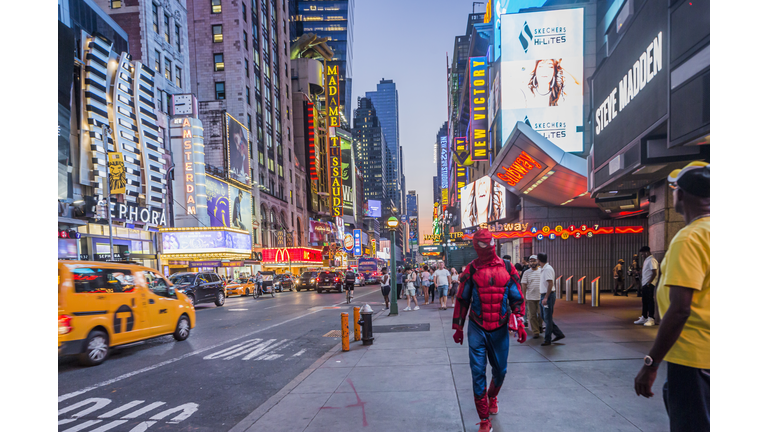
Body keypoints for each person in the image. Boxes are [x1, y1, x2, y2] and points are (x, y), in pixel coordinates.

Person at [634, 162, 709, 432]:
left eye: (674, 188)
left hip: (694, 360)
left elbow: (680, 309)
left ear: (682, 195)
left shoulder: (689, 239)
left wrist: (651, 363)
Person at [452, 229, 526, 432]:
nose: (485, 248)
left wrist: (519, 319)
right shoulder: (472, 269)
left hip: (500, 327)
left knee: (500, 371)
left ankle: (492, 396)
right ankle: (484, 419)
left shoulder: (508, 267)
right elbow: (462, 299)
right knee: (477, 372)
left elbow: (517, 297)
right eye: (481, 244)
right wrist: (458, 327)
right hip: (477, 326)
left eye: (488, 243)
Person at [539, 252, 565, 346]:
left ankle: (547, 339)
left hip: (548, 296)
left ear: (538, 260)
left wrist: (546, 297)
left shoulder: (547, 269)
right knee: (544, 316)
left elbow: (550, 283)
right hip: (544, 295)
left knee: (547, 317)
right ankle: (558, 333)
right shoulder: (543, 269)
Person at [635, 246, 659, 326]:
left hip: (649, 284)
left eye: (642, 254)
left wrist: (649, 282)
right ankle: (644, 317)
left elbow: (654, 272)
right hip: (645, 284)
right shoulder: (647, 260)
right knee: (644, 301)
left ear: (646, 252)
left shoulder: (652, 260)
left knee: (649, 301)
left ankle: (651, 318)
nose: (642, 256)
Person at [521, 255, 543, 339]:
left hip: (540, 296)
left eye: (534, 261)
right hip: (530, 297)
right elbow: (523, 284)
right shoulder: (526, 272)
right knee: (532, 315)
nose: (532, 262)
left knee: (541, 314)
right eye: (531, 261)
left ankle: (540, 325)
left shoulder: (542, 271)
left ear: (537, 261)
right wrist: (524, 296)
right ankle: (535, 331)